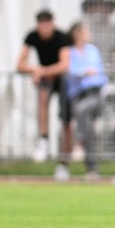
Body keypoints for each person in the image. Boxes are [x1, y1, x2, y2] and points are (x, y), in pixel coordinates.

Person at [17, 9, 74, 174]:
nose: (45, 28)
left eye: (47, 24)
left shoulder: (62, 38)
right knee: (42, 98)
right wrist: (36, 70)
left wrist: (42, 71)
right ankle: (43, 138)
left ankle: (65, 159)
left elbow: (64, 65)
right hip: (46, 78)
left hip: (63, 81)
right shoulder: (32, 36)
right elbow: (20, 64)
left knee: (66, 120)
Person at [64, 22, 108, 179]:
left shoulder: (93, 51)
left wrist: (90, 75)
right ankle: (91, 168)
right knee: (88, 131)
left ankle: (77, 141)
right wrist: (84, 72)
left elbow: (99, 72)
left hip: (94, 93)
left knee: (81, 110)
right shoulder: (70, 52)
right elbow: (69, 71)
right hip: (78, 94)